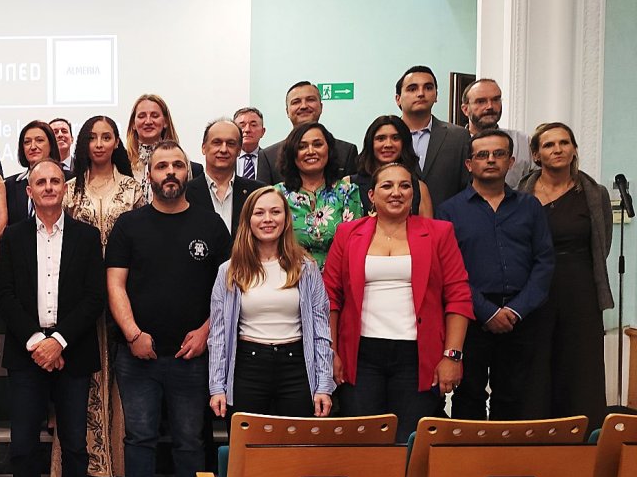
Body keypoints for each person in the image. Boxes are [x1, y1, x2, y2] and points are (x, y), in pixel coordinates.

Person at [107, 141, 230, 477]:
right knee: (140, 436)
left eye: (177, 165)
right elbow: (115, 285)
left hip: (192, 355)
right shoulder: (129, 225)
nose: (170, 172)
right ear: (150, 175)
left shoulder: (212, 225)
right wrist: (132, 334)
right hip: (137, 354)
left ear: (188, 174)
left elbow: (228, 289)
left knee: (190, 439)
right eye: (162, 166)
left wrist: (206, 332)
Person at [324, 163, 473, 441]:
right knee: (363, 441)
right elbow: (331, 298)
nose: (397, 192)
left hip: (417, 356)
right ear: (371, 195)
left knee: (410, 441)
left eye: (405, 186)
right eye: (387, 186)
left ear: (414, 194)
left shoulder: (439, 233)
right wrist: (331, 353)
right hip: (360, 355)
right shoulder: (347, 234)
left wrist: (452, 356)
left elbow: (458, 296)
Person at [0, 159, 106, 477]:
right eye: (40, 182)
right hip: (25, 350)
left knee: (74, 444)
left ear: (64, 188)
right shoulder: (13, 237)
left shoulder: (87, 237)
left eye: (55, 181)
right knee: (23, 445)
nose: (48, 187)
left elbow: (94, 297)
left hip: (72, 349)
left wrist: (57, 341)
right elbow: (5, 295)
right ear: (29, 191)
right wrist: (37, 342)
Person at [436, 130, 554, 421]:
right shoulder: (449, 211)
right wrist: (486, 311)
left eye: (498, 154)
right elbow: (449, 270)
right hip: (471, 318)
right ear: (469, 164)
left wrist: (515, 309)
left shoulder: (530, 207)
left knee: (516, 395)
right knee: (469, 395)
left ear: (511, 161)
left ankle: (508, 462)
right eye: (482, 155)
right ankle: (472, 463)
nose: (491, 160)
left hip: (521, 317)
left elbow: (544, 262)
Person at [54, 115, 145, 477]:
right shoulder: (70, 189)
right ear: (84, 144)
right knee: (83, 382)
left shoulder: (133, 189)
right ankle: (85, 464)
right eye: (93, 137)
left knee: (119, 381)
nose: (100, 144)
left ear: (116, 143)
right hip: (80, 299)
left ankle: (115, 464)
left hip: (124, 297)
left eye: (107, 137)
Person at [208, 186, 334, 421]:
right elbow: (218, 333)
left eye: (275, 212)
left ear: (286, 219)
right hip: (248, 368)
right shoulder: (230, 271)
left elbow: (321, 331)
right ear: (248, 219)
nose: (268, 219)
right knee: (248, 451)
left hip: (296, 368)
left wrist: (324, 384)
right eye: (259, 213)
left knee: (295, 452)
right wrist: (217, 386)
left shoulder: (306, 269)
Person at [518, 122, 613, 429]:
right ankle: (534, 441)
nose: (557, 149)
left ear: (573, 150)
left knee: (580, 370)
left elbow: (602, 244)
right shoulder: (522, 193)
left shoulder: (594, 194)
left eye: (564, 143)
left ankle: (583, 442)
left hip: (580, 288)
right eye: (548, 145)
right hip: (533, 290)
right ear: (536, 154)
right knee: (534, 368)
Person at [274, 122, 363, 269]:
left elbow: (355, 246)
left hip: (337, 280)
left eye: (317, 144)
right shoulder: (277, 195)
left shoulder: (348, 191)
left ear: (329, 149)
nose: (310, 151)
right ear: (292, 153)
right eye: (302, 147)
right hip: (289, 280)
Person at [395, 65, 471, 207]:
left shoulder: (458, 137)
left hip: (447, 222)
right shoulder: (386, 137)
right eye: (412, 89)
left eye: (428, 88)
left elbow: (467, 186)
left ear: (436, 95)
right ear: (398, 99)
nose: (421, 93)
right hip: (396, 225)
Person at [262, 82, 359, 184]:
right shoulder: (268, 156)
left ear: (321, 107)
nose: (303, 106)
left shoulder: (347, 151)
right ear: (287, 111)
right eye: (296, 102)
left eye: (310, 100)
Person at [185, 118, 264, 242]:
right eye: (217, 142)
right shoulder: (185, 193)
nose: (223, 149)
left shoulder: (257, 192)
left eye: (231, 144)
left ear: (239, 151)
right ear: (203, 148)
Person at [350, 115, 434, 217]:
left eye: (395, 138)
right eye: (381, 139)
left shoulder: (419, 188)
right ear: (370, 143)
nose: (388, 144)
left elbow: (428, 230)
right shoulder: (349, 185)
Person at [124, 93, 204, 199]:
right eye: (142, 116)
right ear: (133, 124)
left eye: (155, 116)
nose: (148, 121)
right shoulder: (121, 163)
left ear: (165, 122)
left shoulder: (189, 165)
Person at [461, 78, 534, 186]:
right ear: (465, 109)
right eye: (481, 101)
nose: (490, 106)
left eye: (496, 99)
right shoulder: (454, 143)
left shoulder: (522, 141)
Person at [4, 120, 60, 226]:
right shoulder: (9, 185)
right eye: (27, 142)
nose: (33, 147)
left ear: (51, 145)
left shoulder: (69, 179)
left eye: (39, 140)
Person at [233, 106, 273, 184]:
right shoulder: (227, 158)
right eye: (242, 126)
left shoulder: (271, 160)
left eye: (253, 125)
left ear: (263, 132)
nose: (247, 130)